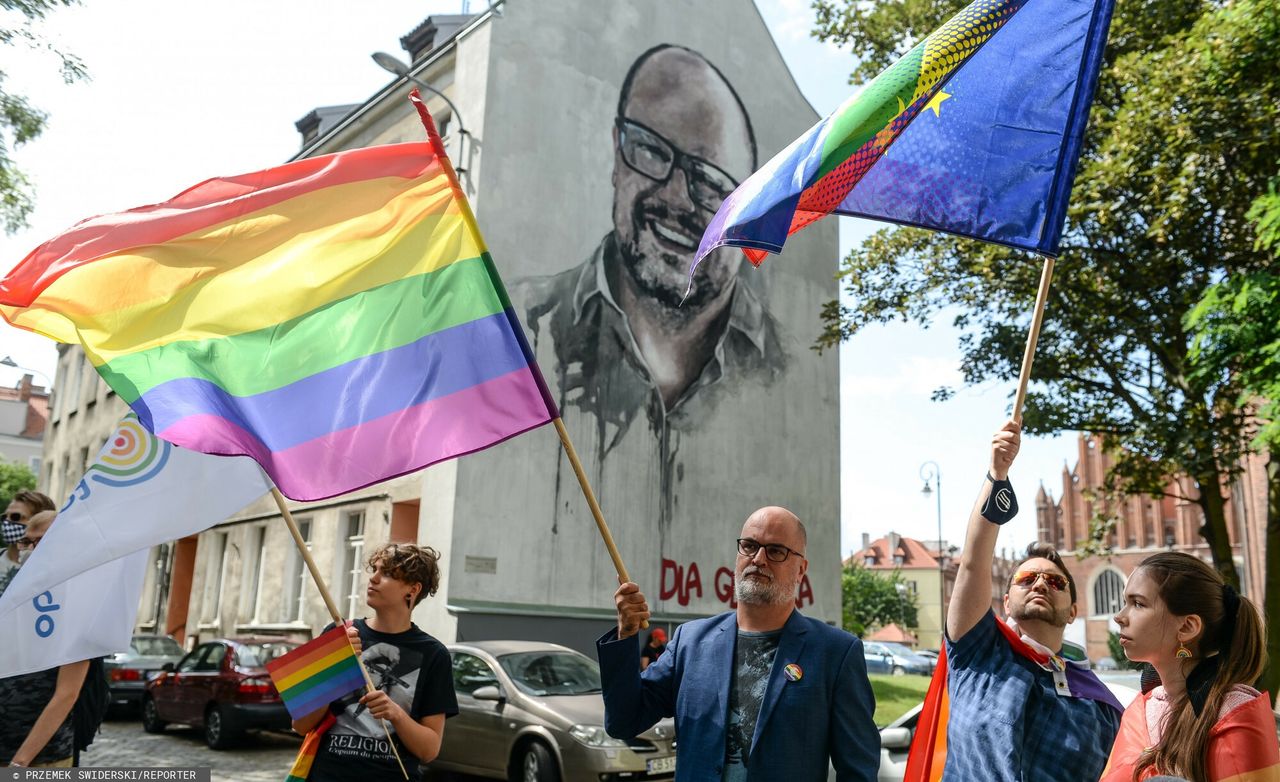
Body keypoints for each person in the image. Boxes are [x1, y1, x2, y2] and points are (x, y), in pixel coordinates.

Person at [597, 505, 879, 781]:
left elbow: (858, 770)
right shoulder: (690, 642)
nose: (758, 559)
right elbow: (624, 721)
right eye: (749, 546)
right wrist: (626, 634)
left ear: (801, 569)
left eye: (776, 551)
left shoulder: (835, 653)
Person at [939, 421, 1122, 780]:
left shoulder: (1102, 706)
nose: (1040, 583)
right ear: (1006, 602)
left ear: (1073, 611)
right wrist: (997, 474)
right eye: (1026, 578)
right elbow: (975, 561)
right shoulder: (977, 655)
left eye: (1055, 581)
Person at [1100, 552, 1280, 781]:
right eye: (1125, 602)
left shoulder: (1234, 713)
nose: (1120, 617)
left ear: (1187, 627)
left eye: (1138, 603)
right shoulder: (1141, 708)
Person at [291, 543, 458, 782]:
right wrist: (337, 666)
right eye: (375, 569)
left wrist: (396, 714)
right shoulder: (338, 634)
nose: (374, 578)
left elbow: (429, 750)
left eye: (388, 573)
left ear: (412, 589)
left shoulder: (434, 654)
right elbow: (300, 724)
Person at [1, 509, 90, 768]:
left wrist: (20, 762)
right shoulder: (16, 594)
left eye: (37, 541)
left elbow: (67, 693)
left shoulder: (79, 600)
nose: (27, 549)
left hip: (41, 758)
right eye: (25, 542)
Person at [0, 490, 56, 598]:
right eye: (4, 517)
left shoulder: (53, 571)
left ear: (40, 520)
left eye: (15, 517)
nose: (7, 521)